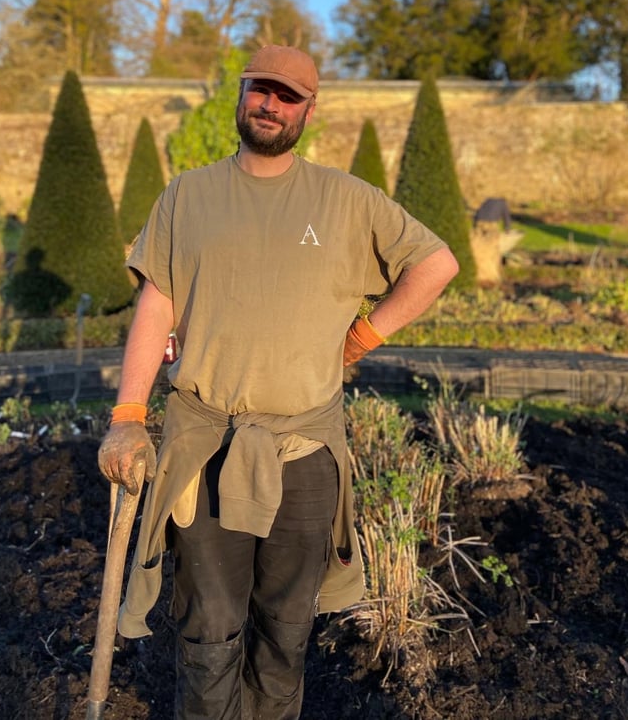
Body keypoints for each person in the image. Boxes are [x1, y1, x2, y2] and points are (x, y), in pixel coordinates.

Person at [97, 45, 459, 720]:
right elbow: (157, 303)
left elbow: (436, 263)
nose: (271, 104)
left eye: (288, 96)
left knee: (287, 626)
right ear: (241, 95)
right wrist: (127, 415)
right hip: (206, 445)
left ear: (308, 111)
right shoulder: (188, 196)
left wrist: (362, 337)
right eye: (260, 89)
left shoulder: (346, 200)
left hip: (305, 451)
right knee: (209, 626)